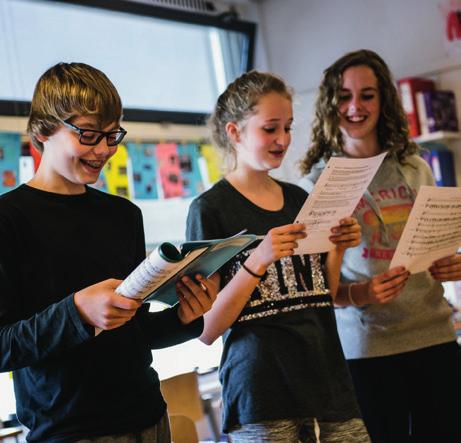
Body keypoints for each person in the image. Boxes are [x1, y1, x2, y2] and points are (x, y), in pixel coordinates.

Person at [0, 62, 217, 443]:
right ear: (41, 131)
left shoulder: (123, 215)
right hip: (68, 432)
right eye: (88, 135)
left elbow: (133, 331)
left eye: (112, 135)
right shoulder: (8, 220)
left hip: (150, 416)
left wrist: (185, 316)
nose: (104, 150)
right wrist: (76, 312)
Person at [186, 70, 370, 443]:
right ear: (234, 132)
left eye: (287, 127)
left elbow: (323, 294)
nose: (283, 139)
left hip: (328, 385)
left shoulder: (300, 199)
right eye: (270, 129)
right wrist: (258, 260)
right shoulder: (210, 209)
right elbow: (206, 328)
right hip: (262, 395)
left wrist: (337, 247)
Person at [298, 49, 461, 443]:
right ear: (329, 104)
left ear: (383, 100)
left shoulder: (414, 165)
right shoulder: (317, 184)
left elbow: (438, 243)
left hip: (436, 335)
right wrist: (361, 293)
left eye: (367, 95)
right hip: (367, 350)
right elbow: (316, 290)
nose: (355, 106)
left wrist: (452, 262)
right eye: (344, 96)